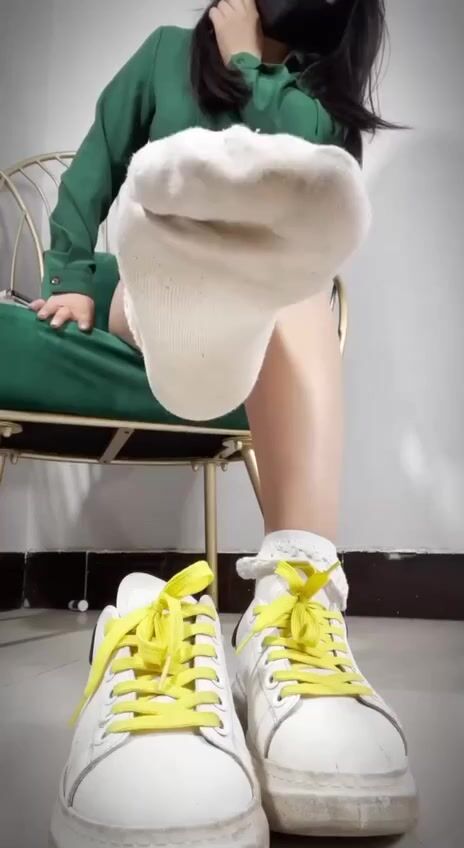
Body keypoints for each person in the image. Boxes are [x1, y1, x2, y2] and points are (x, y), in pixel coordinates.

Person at [39, 3, 418, 847]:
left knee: (288, 276)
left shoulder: (314, 104)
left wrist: (248, 63)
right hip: (150, 297)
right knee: (213, 266)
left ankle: (293, 601)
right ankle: (191, 287)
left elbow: (296, 187)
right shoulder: (165, 55)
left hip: (269, 313)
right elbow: (93, 168)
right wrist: (67, 277)